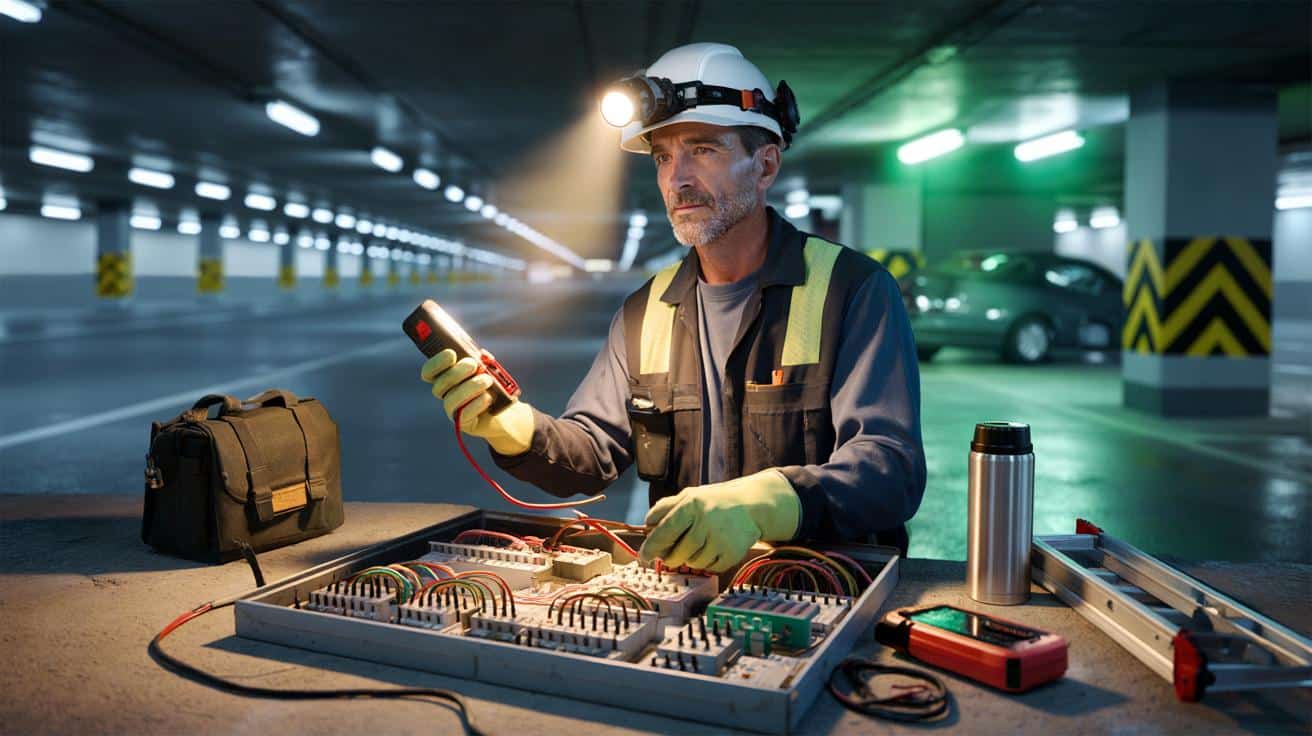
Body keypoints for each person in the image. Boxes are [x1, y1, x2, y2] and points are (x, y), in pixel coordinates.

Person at [421, 42, 925, 573]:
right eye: (663, 156)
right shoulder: (646, 311)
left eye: (703, 150)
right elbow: (593, 450)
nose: (678, 178)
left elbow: (889, 468)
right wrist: (512, 426)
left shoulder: (851, 290)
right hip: (689, 587)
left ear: (765, 165)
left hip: (822, 586)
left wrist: (768, 503)